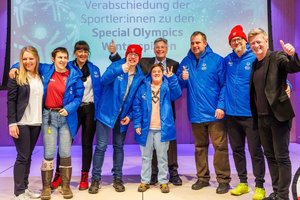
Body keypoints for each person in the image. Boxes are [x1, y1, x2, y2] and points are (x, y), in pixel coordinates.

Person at [108, 38, 182, 186]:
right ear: (154, 49)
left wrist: (174, 78)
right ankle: (150, 177)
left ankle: (170, 175)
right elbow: (129, 61)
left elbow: (178, 90)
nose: (160, 49)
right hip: (147, 119)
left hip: (165, 118)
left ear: (166, 48)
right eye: (157, 47)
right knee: (147, 154)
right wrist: (114, 54)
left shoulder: (174, 65)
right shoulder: (145, 63)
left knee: (166, 152)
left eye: (162, 47)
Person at [248, 28, 300, 200]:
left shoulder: (277, 57)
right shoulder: (255, 64)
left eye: (259, 41)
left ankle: (283, 195)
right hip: (262, 118)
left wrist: (292, 55)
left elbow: (292, 67)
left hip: (279, 117)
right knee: (270, 155)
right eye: (253, 43)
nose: (256, 45)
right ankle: (277, 191)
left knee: (281, 156)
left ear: (266, 41)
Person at [176, 31, 231, 194]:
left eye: (198, 42)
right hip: (196, 114)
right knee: (200, 147)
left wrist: (221, 106)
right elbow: (179, 88)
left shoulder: (217, 60)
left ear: (205, 43)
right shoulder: (185, 62)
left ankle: (223, 180)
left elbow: (225, 85)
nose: (195, 45)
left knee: (220, 147)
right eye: (192, 43)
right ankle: (202, 178)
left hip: (215, 114)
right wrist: (182, 78)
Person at [88, 44, 145, 194]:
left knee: (119, 147)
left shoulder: (140, 75)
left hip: (122, 117)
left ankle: (118, 178)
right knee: (101, 147)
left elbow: (136, 99)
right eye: (130, 54)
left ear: (139, 58)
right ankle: (95, 179)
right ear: (126, 55)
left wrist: (130, 116)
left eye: (136, 55)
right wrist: (121, 69)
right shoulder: (117, 65)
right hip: (106, 113)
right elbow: (104, 80)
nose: (132, 57)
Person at [51, 41, 101, 191]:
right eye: (79, 51)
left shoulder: (94, 69)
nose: (83, 54)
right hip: (72, 109)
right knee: (66, 143)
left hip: (90, 109)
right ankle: (59, 174)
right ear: (74, 53)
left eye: (85, 51)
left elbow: (100, 89)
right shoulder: (66, 67)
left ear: (88, 53)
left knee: (87, 143)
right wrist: (14, 67)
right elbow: (44, 69)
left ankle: (84, 176)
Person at [224, 25, 266, 200]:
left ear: (245, 41)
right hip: (232, 115)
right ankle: (242, 182)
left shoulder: (254, 58)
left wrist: (288, 86)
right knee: (237, 150)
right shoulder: (227, 60)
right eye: (233, 40)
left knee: (255, 150)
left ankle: (259, 186)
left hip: (250, 114)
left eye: (239, 39)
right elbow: (222, 84)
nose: (236, 42)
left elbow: (273, 77)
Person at [133, 63, 182, 193]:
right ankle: (144, 181)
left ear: (162, 73)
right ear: (151, 73)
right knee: (146, 157)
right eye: (154, 71)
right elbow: (136, 107)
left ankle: (163, 181)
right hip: (146, 129)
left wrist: (172, 78)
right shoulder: (143, 87)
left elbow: (177, 94)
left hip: (162, 129)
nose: (156, 73)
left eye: (159, 71)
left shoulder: (167, 86)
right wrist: (137, 124)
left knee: (162, 157)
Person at [7, 46, 43, 200]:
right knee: (22, 157)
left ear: (36, 59)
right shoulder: (17, 76)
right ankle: (19, 192)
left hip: (36, 122)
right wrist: (12, 123)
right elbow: (11, 101)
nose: (28, 61)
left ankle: (25, 188)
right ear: (21, 60)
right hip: (21, 122)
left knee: (28, 156)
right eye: (24, 59)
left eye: (31, 58)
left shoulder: (41, 76)